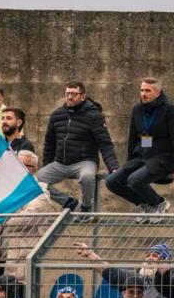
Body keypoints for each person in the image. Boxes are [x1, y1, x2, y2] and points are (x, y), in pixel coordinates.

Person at [106, 77, 174, 221]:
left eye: (147, 91)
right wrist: (130, 162)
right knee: (112, 181)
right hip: (141, 156)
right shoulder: (137, 110)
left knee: (134, 180)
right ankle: (148, 205)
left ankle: (159, 203)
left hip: (162, 157)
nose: (143, 93)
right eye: (142, 90)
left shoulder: (169, 110)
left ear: (157, 92)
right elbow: (133, 138)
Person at [38, 81, 119, 213]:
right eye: (67, 93)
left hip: (85, 161)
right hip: (60, 163)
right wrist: (47, 164)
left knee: (87, 177)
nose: (70, 97)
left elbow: (105, 144)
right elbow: (49, 143)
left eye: (74, 94)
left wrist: (114, 168)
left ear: (83, 96)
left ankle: (86, 207)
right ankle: (69, 202)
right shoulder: (57, 115)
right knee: (36, 181)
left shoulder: (94, 116)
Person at [0, 150, 60, 281]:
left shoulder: (40, 192)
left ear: (32, 169)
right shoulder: (9, 190)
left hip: (20, 260)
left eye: (19, 164)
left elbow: (24, 220)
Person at [74, 241, 174, 298]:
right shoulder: (135, 278)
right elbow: (110, 272)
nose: (150, 258)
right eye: (149, 255)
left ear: (166, 262)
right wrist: (90, 254)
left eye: (156, 256)